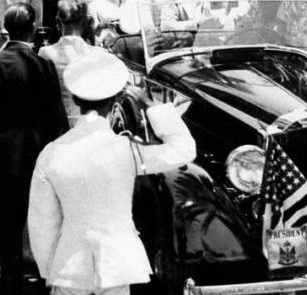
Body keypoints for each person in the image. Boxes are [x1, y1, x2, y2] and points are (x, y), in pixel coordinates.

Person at [28, 50, 196, 295]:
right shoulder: (127, 151)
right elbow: (184, 149)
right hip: (117, 265)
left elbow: (42, 222)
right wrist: (149, 105)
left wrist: (50, 269)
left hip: (69, 266)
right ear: (117, 100)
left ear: (75, 99)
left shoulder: (51, 154)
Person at [0, 3, 68, 295]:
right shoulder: (42, 65)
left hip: (6, 156)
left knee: (10, 226)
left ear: (7, 29)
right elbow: (55, 115)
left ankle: (10, 284)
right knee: (45, 220)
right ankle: (45, 280)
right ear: (32, 29)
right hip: (39, 154)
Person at [39, 0, 95, 127]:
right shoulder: (96, 53)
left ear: (58, 22)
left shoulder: (45, 53)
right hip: (88, 123)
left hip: (56, 125)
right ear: (84, 22)